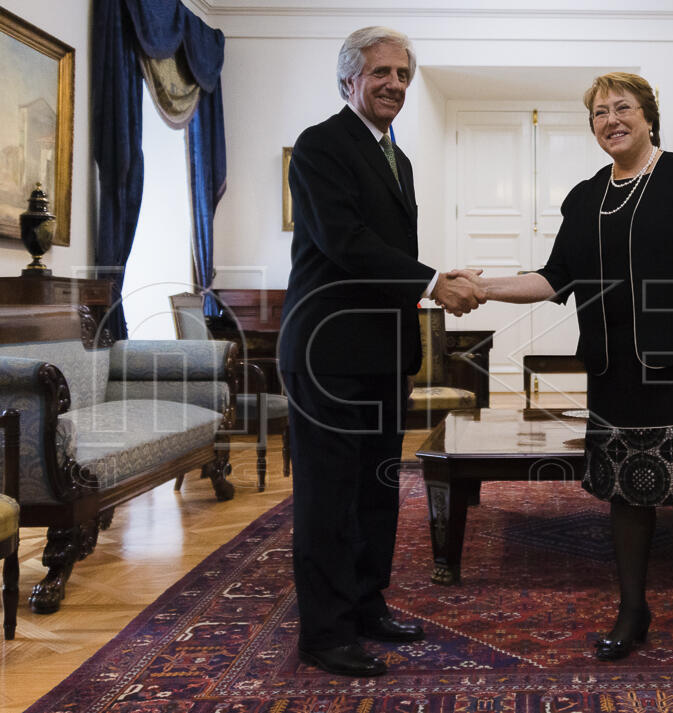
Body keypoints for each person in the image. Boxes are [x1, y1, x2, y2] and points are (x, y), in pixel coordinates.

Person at [444, 72, 673, 679]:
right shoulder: (586, 196)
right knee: (626, 493)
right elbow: (554, 277)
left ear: (649, 117)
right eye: (599, 113)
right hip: (614, 370)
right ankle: (632, 610)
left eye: (623, 108)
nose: (611, 120)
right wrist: (482, 288)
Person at [279, 26, 484, 678]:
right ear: (349, 82)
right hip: (328, 353)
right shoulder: (320, 146)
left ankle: (366, 604)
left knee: (376, 490)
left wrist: (428, 291)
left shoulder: (398, 158)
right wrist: (433, 282)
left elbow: (383, 253)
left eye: (402, 72)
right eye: (381, 73)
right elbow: (346, 241)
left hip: (382, 353)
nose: (395, 83)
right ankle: (326, 632)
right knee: (327, 497)